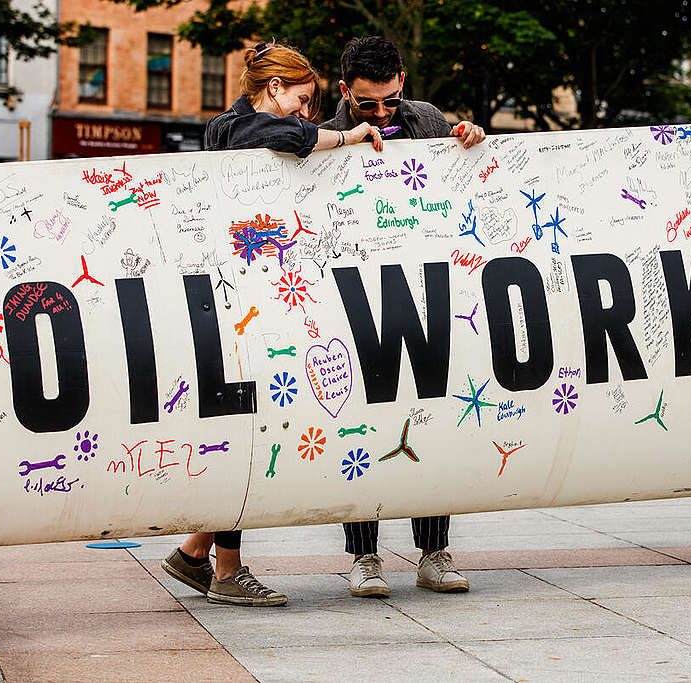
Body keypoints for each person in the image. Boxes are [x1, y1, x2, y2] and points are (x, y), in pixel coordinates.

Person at [161, 40, 383, 607]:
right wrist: (348, 137)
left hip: (240, 301)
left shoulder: (227, 125)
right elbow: (287, 137)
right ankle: (227, 573)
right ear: (273, 89)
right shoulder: (240, 129)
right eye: (300, 98)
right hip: (237, 310)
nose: (306, 111)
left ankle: (193, 555)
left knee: (244, 439)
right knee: (243, 442)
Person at [320, 35, 485, 599]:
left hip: (425, 289)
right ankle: (364, 555)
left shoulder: (427, 120)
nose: (384, 113)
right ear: (345, 92)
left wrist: (471, 138)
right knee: (363, 422)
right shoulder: (322, 128)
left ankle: (434, 551)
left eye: (392, 99)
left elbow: (461, 182)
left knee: (432, 417)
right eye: (369, 103)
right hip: (355, 293)